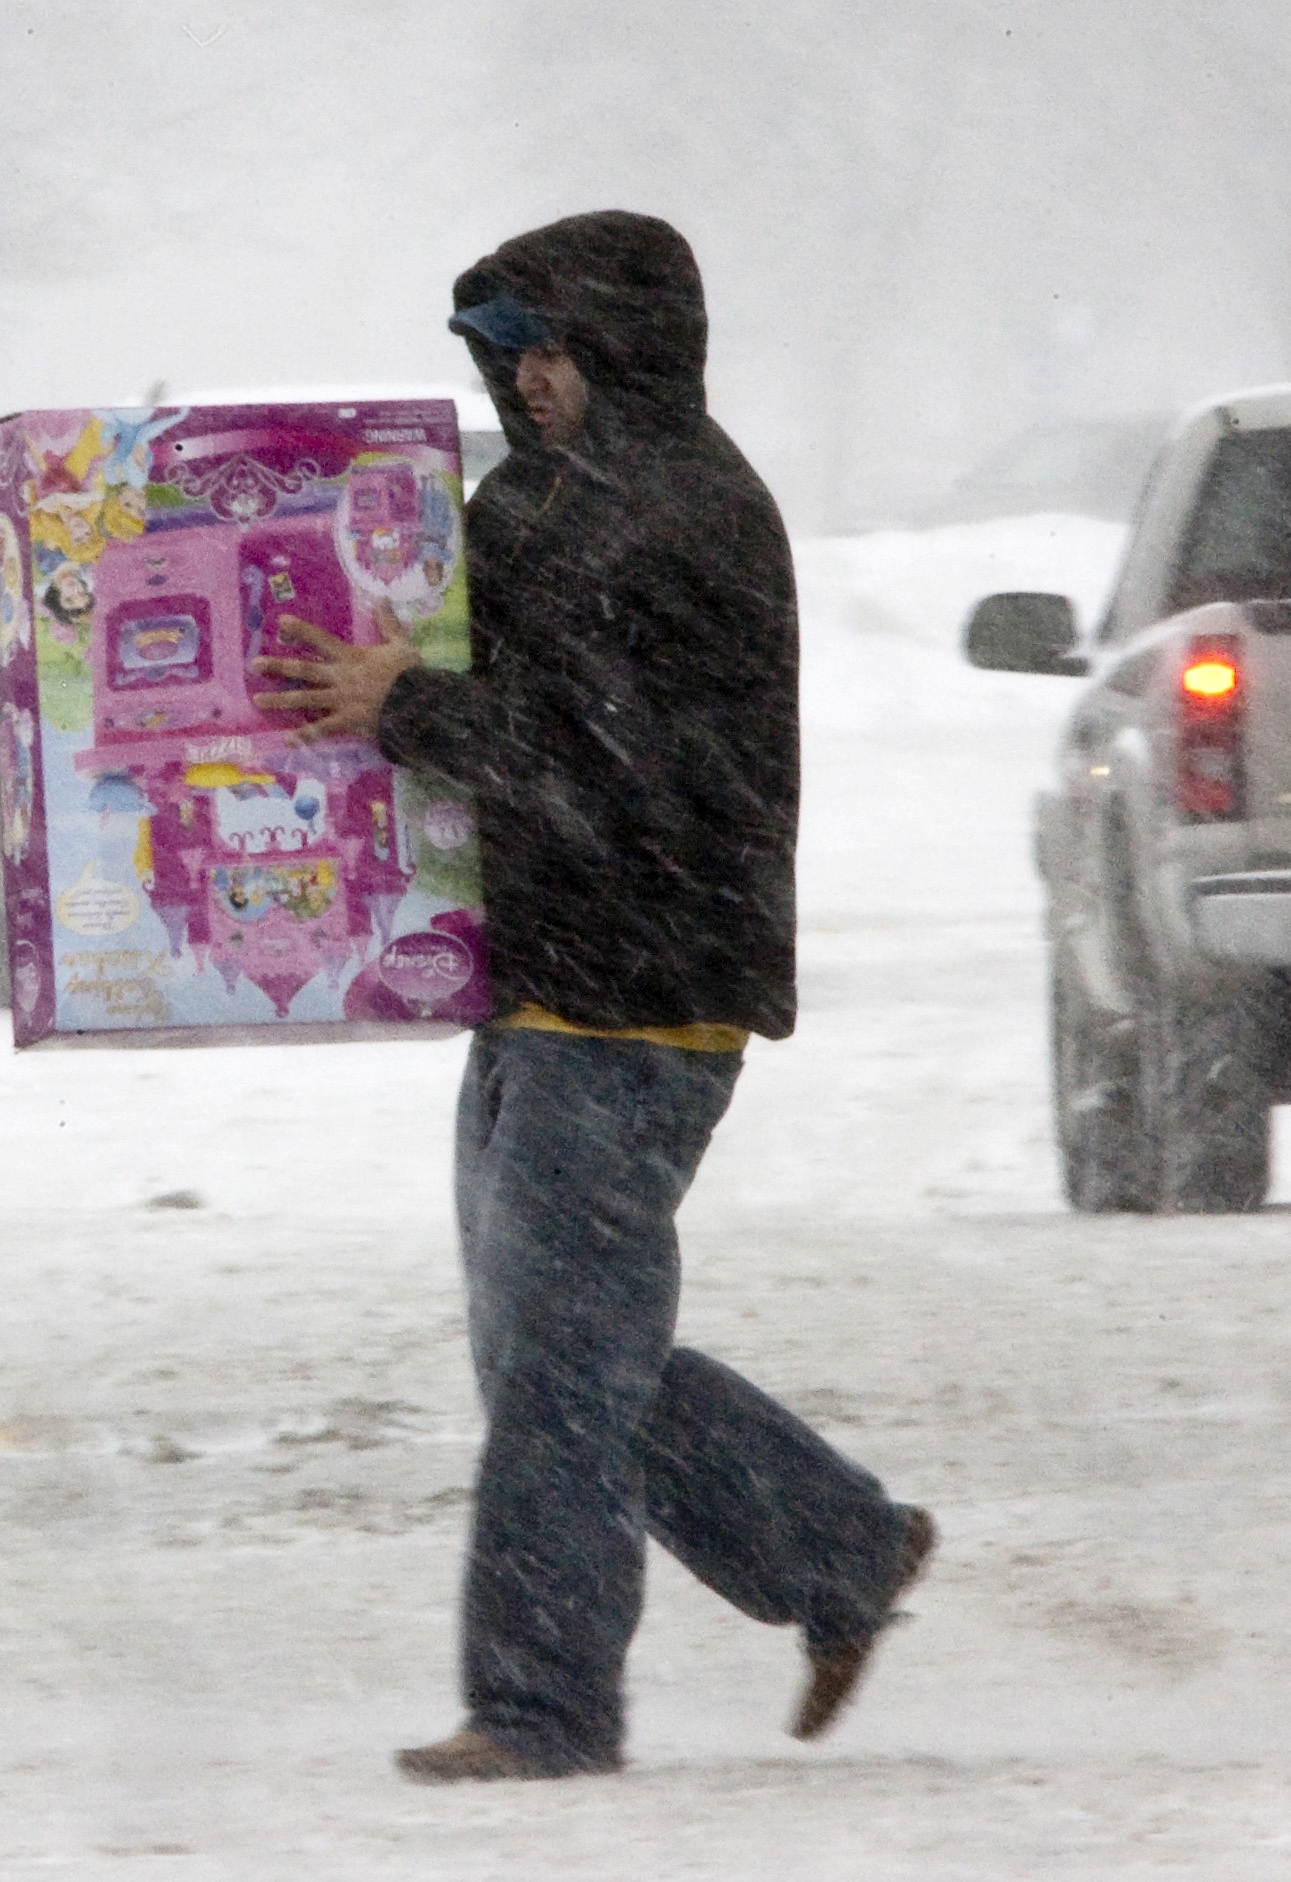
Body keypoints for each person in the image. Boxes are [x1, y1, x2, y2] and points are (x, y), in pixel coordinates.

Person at [249, 210, 933, 1781]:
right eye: (503, 354)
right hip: (541, 984)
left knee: (561, 1376)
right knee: (554, 1362)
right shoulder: (539, 504)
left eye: (542, 348)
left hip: (642, 994)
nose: (524, 380)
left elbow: (602, 761)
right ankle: (834, 1547)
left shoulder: (681, 515)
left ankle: (539, 1709)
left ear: (618, 346)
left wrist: (402, 702)